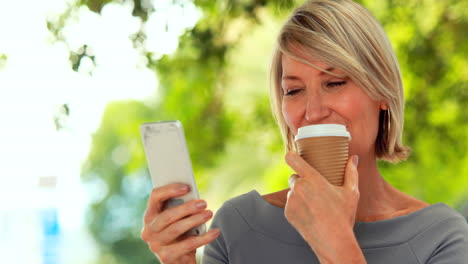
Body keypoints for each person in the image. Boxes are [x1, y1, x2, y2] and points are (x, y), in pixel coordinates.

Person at [141, 0, 468, 263]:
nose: (313, 112)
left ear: (382, 92)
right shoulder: (238, 224)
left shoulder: (440, 237)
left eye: (335, 83)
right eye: (293, 91)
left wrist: (336, 242)